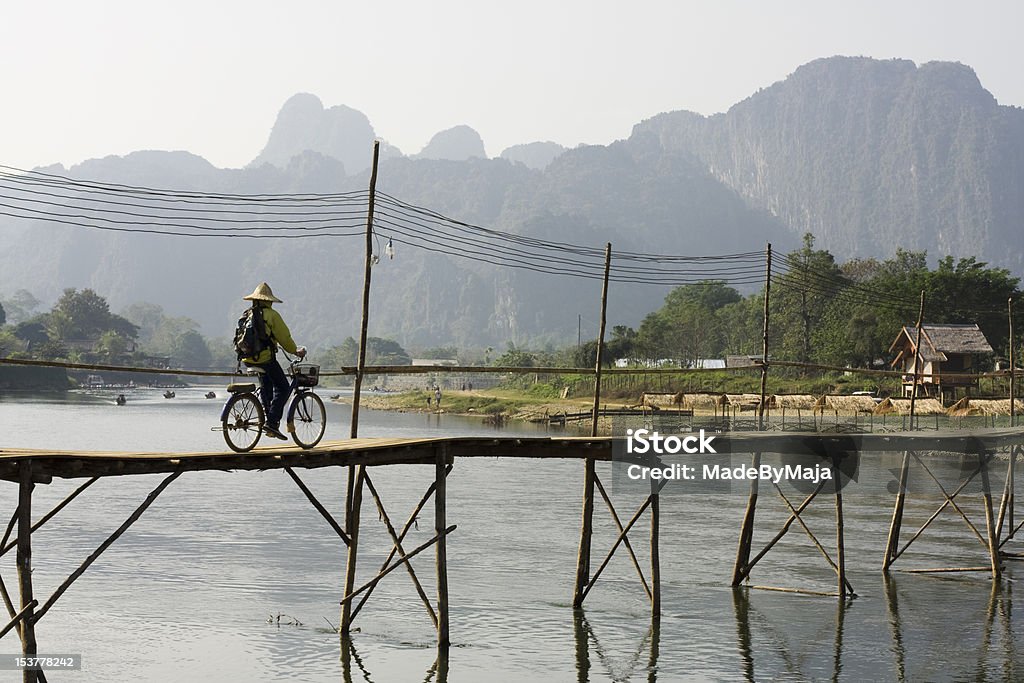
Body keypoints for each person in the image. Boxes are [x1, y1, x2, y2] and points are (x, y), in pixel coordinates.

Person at [239, 283, 306, 440]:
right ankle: (272, 422)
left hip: (248, 359)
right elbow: (284, 338)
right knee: (282, 388)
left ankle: (268, 416)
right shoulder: (271, 315)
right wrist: (295, 351)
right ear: (268, 301)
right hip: (265, 358)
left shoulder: (247, 314)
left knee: (267, 385)